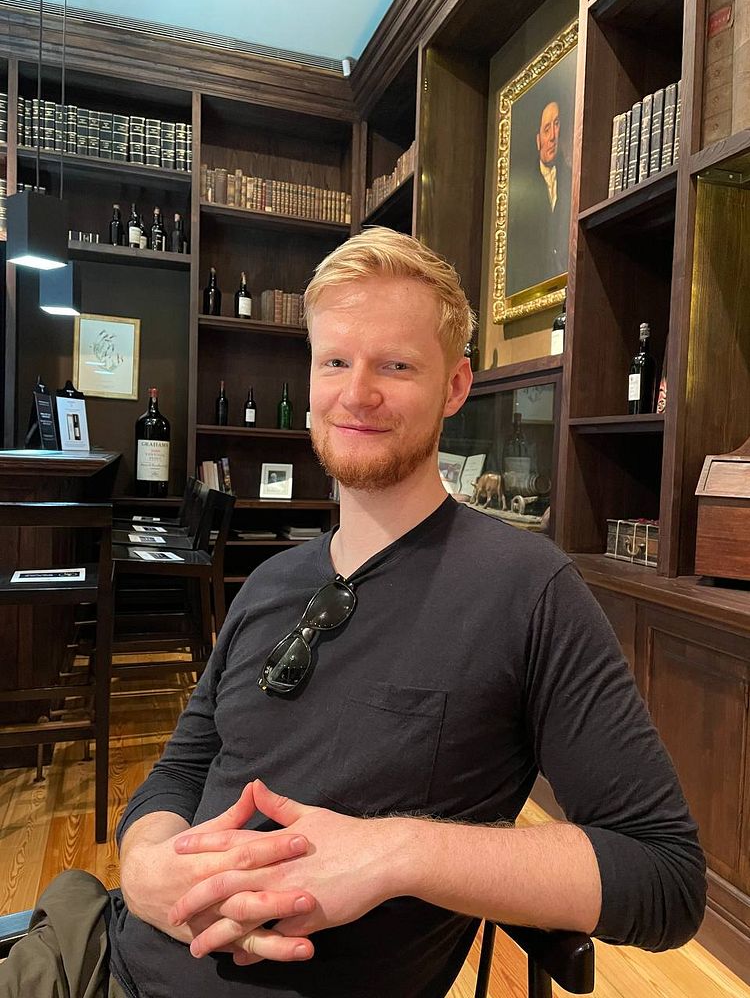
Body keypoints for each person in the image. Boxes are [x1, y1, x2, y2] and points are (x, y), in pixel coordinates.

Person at [1, 227, 705, 998]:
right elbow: (181, 768)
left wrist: (398, 853)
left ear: (455, 387)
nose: (357, 392)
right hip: (95, 959)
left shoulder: (527, 591)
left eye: (395, 365)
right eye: (335, 361)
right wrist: (144, 866)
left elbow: (665, 874)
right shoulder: (269, 583)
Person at [506, 99, 572, 297]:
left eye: (557, 124)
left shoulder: (573, 179)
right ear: (538, 140)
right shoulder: (522, 195)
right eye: (546, 129)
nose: (552, 136)